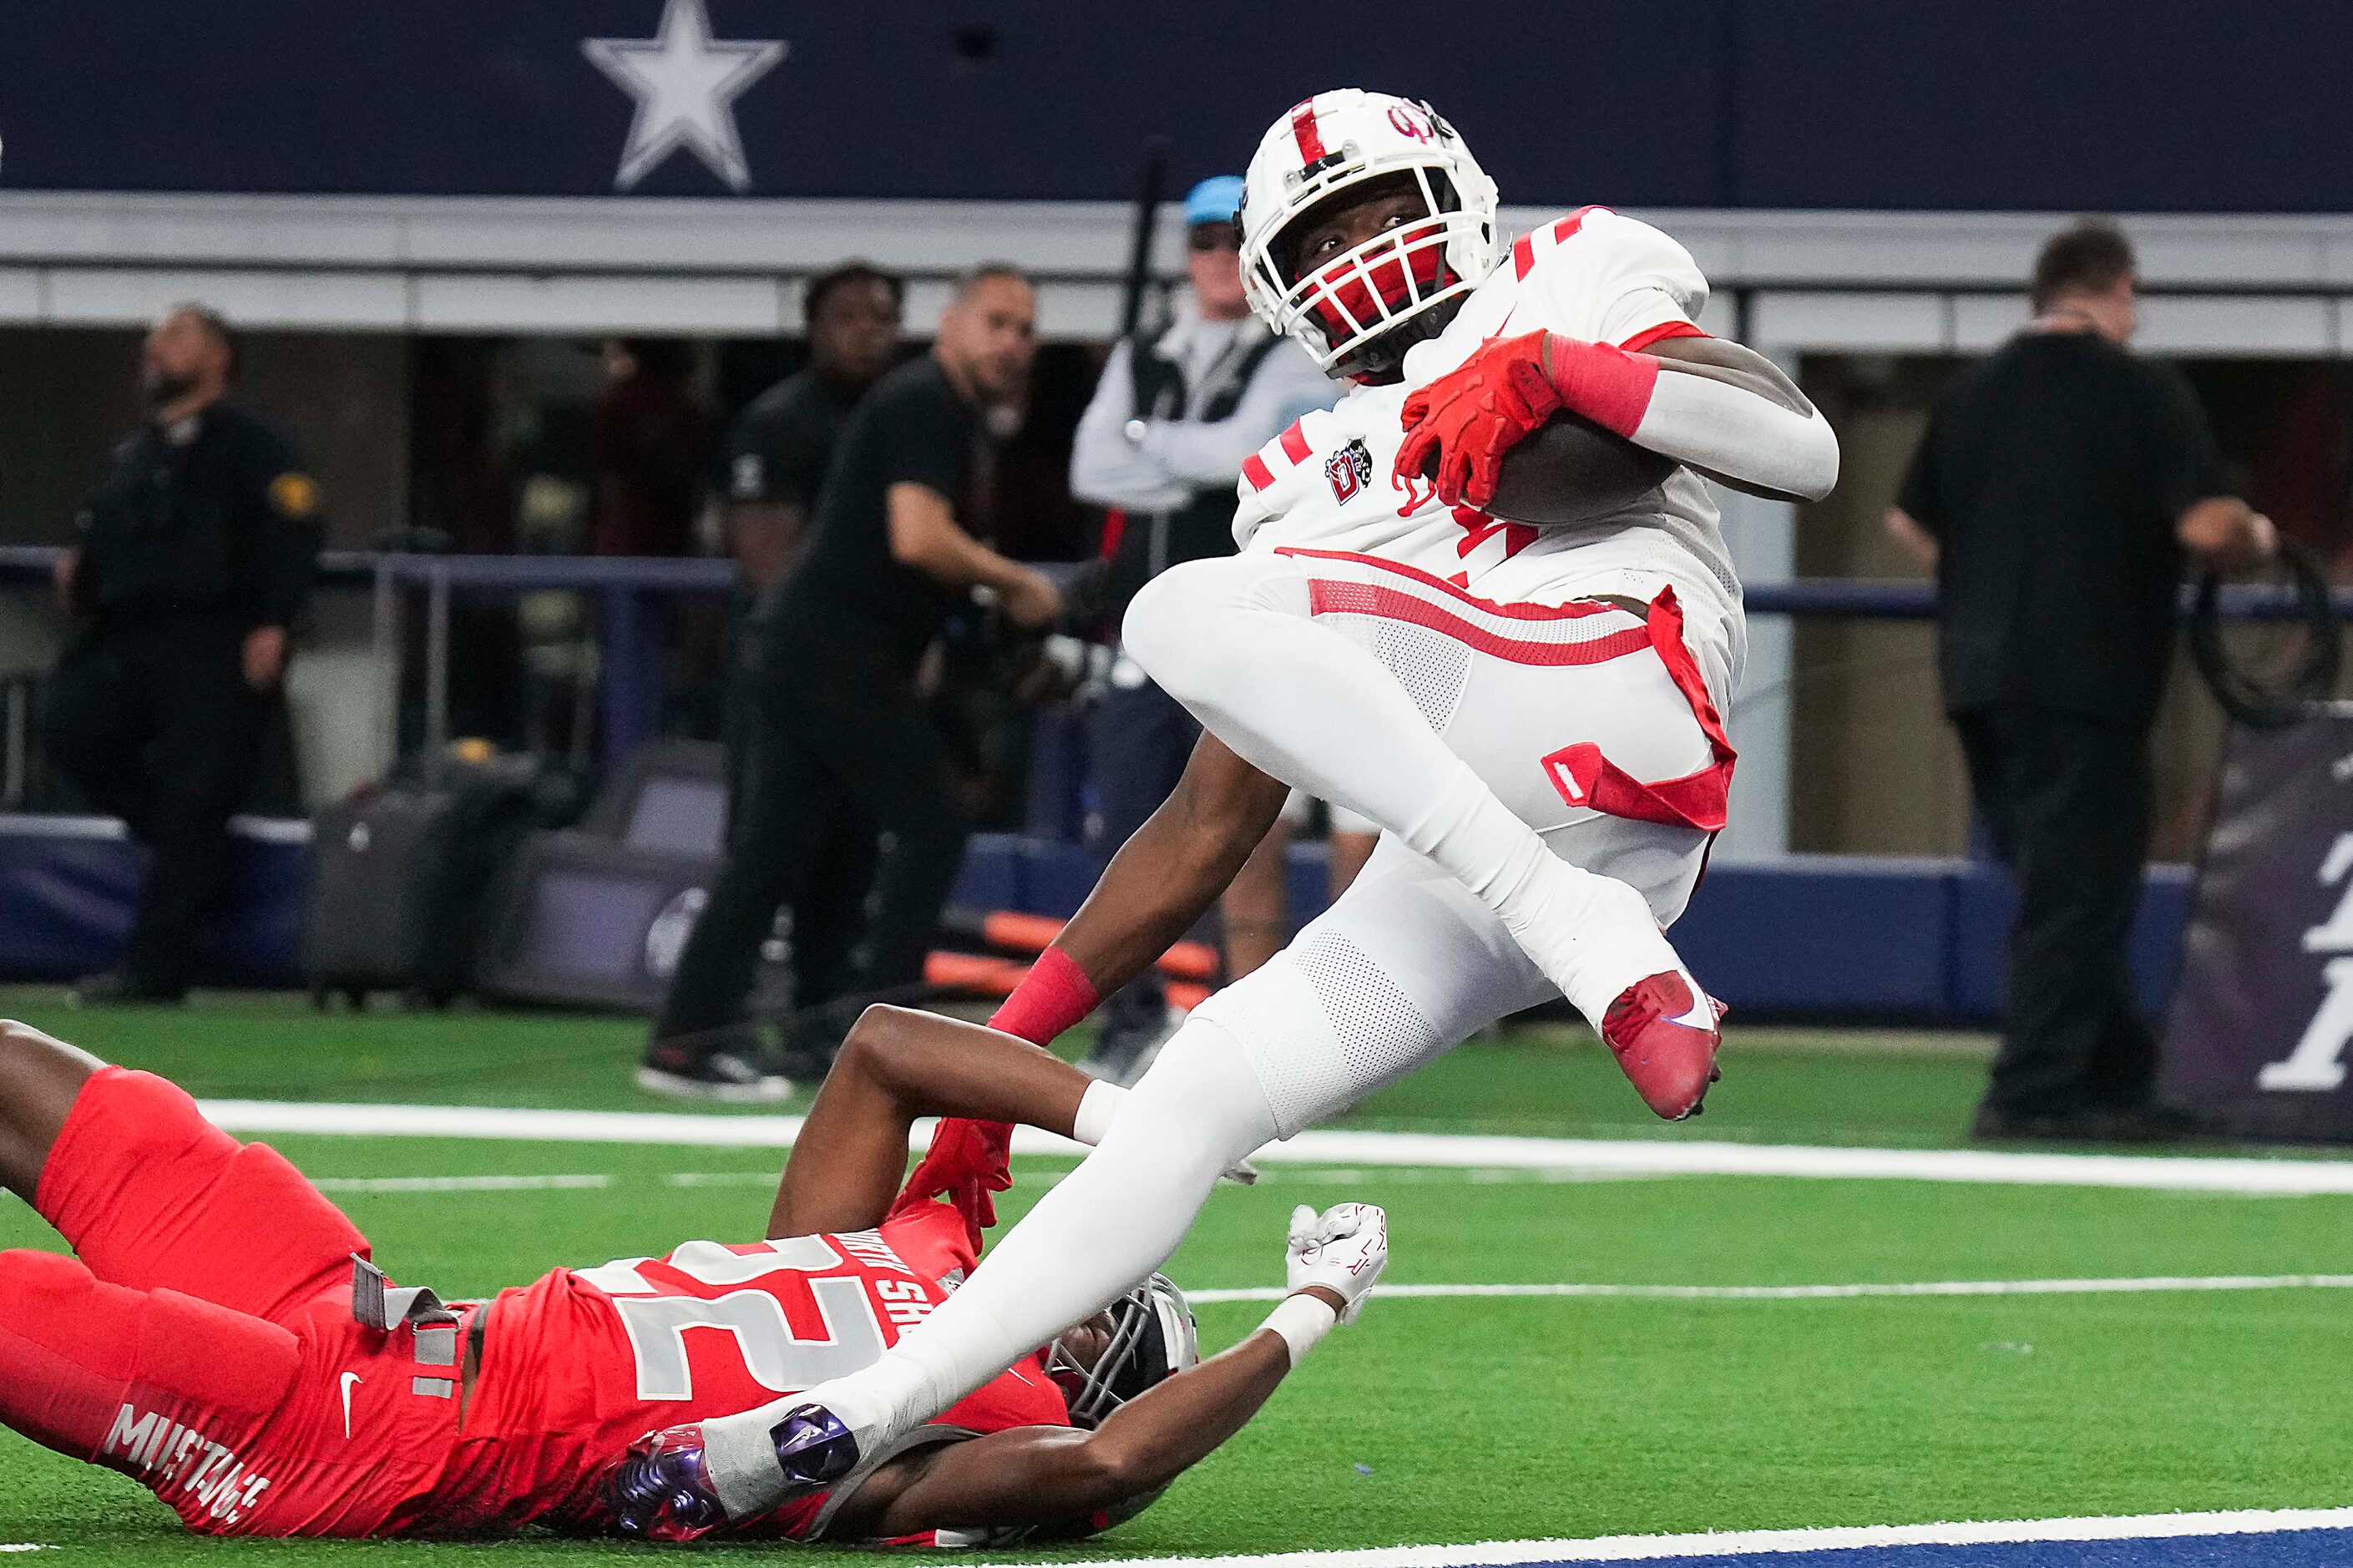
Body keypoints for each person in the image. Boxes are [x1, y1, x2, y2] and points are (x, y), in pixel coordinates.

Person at [621, 87, 1839, 1523]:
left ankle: (1562, 915)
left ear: (1454, 193)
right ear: (1275, 286)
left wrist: (1558, 367)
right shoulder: (1293, 489)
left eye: (1381, 207)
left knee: (1186, 602)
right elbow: (1208, 819)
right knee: (1185, 1093)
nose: (1361, 247)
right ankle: (846, 1411)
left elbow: (1799, 451)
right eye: (1323, 230)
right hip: (1502, 857)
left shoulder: (1566, 266)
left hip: (1617, 700)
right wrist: (1006, 1048)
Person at [0, 1011, 1388, 1541]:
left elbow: (1103, 1469)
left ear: (1095, 1369)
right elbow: (882, 1051)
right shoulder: (908, 1244)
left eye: (1115, 1307)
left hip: (344, 1434)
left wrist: (1307, 1308)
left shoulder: (966, 1428)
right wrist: (1138, 1129)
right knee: (53, 1087)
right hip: (367, 1307)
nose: (1087, 1278)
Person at [1884, 221, 2276, 1143]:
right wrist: (2260, 536)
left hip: (1977, 678)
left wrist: (1983, 575)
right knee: (2080, 886)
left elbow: (1909, 524)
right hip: (2088, 675)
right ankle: (2031, 1091)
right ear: (2118, 289)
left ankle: (2117, 1080)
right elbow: (2206, 528)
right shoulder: (2141, 390)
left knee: (2061, 880)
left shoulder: (1970, 392)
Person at [642, 266, 1067, 1100]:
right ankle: (886, 1029)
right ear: (950, 323)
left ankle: (697, 1043)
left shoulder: (941, 408)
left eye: (1024, 330)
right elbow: (916, 538)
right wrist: (1016, 583)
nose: (1011, 344)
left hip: (819, 653)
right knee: (933, 818)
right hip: (833, 655)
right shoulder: (926, 402)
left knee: (781, 849)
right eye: (996, 322)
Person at [1068, 175, 1340, 1080]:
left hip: (1243, 625)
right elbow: (1093, 467)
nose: (1217, 258)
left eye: (1231, 239)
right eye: (1200, 240)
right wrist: (1181, 451)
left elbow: (1252, 462)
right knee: (1123, 827)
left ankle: (1257, 1039)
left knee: (1248, 832)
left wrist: (1154, 442)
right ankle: (1129, 1022)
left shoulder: (1294, 348)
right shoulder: (1148, 349)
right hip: (1145, 635)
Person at [44, 306, 323, 1005]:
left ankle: (154, 969)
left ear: (217, 357)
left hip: (217, 644)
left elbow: (292, 533)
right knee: (71, 731)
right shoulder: (133, 452)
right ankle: (195, 858)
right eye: (153, 341)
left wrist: (274, 622)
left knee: (200, 798)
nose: (154, 350)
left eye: (173, 339)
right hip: (127, 639)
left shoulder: (257, 446)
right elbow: (106, 533)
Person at [684, 263, 906, 1098]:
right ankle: (699, 1034)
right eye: (849, 317)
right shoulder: (778, 422)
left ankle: (819, 1028)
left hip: (867, 674)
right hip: (789, 674)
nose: (867, 332)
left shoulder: (896, 421)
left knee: (847, 859)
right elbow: (764, 558)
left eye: (882, 317)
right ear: (813, 325)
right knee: (766, 854)